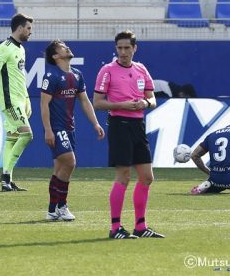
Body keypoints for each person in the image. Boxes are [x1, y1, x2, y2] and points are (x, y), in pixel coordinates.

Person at [93, 30, 164, 240]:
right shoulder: (107, 70)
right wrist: (121, 105)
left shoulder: (141, 69)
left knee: (147, 177)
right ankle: (115, 228)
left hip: (138, 125)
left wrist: (145, 103)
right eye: (119, 48)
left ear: (135, 48)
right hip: (119, 124)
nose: (123, 52)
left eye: (127, 48)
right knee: (123, 177)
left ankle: (140, 227)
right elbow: (97, 102)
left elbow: (152, 99)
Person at [40, 40, 105, 221]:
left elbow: (84, 101)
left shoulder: (77, 75)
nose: (67, 47)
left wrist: (95, 123)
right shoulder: (51, 75)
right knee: (70, 162)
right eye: (62, 47)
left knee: (60, 168)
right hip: (57, 127)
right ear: (55, 56)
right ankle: (62, 205)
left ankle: (52, 210)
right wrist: (48, 130)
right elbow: (44, 104)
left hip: (70, 127)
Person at [0, 13, 34, 192]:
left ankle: (8, 181)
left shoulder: (20, 49)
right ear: (20, 28)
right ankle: (5, 175)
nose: (30, 32)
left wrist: (27, 99)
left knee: (12, 139)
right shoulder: (3, 48)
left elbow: (19, 77)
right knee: (27, 135)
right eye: (28, 28)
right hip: (10, 102)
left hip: (21, 100)